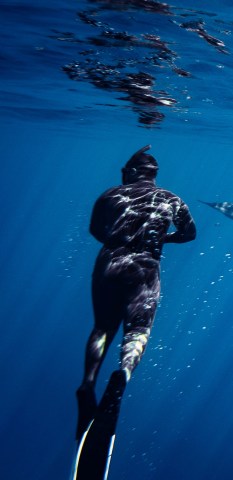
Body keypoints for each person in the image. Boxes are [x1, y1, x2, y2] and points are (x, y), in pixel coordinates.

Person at [75, 145, 196, 442]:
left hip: (110, 262)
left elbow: (95, 229)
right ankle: (124, 373)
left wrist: (118, 243)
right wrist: (162, 239)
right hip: (145, 265)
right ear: (153, 174)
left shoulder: (110, 195)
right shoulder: (171, 199)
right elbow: (190, 234)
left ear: (131, 172)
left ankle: (88, 382)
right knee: (138, 330)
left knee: (102, 327)